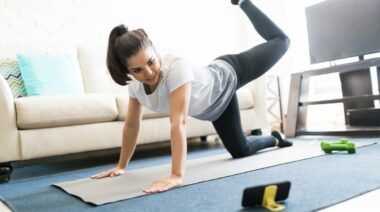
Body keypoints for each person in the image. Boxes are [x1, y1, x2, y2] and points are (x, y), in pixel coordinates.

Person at [91, 0, 293, 194]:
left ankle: (243, 2)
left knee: (282, 42)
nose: (149, 72)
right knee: (240, 150)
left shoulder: (175, 68)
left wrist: (176, 175)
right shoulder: (135, 86)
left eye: (151, 62)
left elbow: (178, 122)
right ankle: (275, 139)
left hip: (229, 73)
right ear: (128, 72)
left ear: (154, 49)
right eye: (137, 70)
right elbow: (132, 125)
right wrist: (121, 165)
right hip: (215, 108)